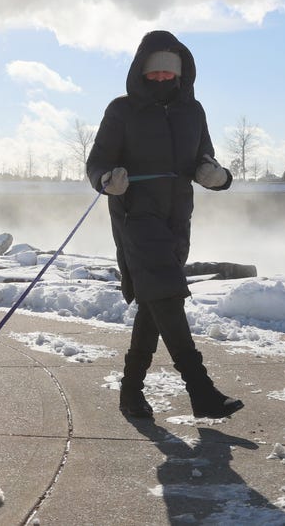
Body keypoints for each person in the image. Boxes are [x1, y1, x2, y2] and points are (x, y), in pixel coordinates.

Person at [85, 29, 244, 420]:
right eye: (152, 73)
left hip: (177, 219)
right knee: (167, 296)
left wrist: (218, 177)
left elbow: (204, 160)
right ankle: (200, 390)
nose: (160, 79)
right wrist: (108, 179)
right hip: (135, 216)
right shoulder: (121, 111)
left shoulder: (194, 111)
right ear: (140, 72)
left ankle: (130, 391)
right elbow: (97, 163)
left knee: (156, 302)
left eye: (167, 73)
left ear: (180, 74)